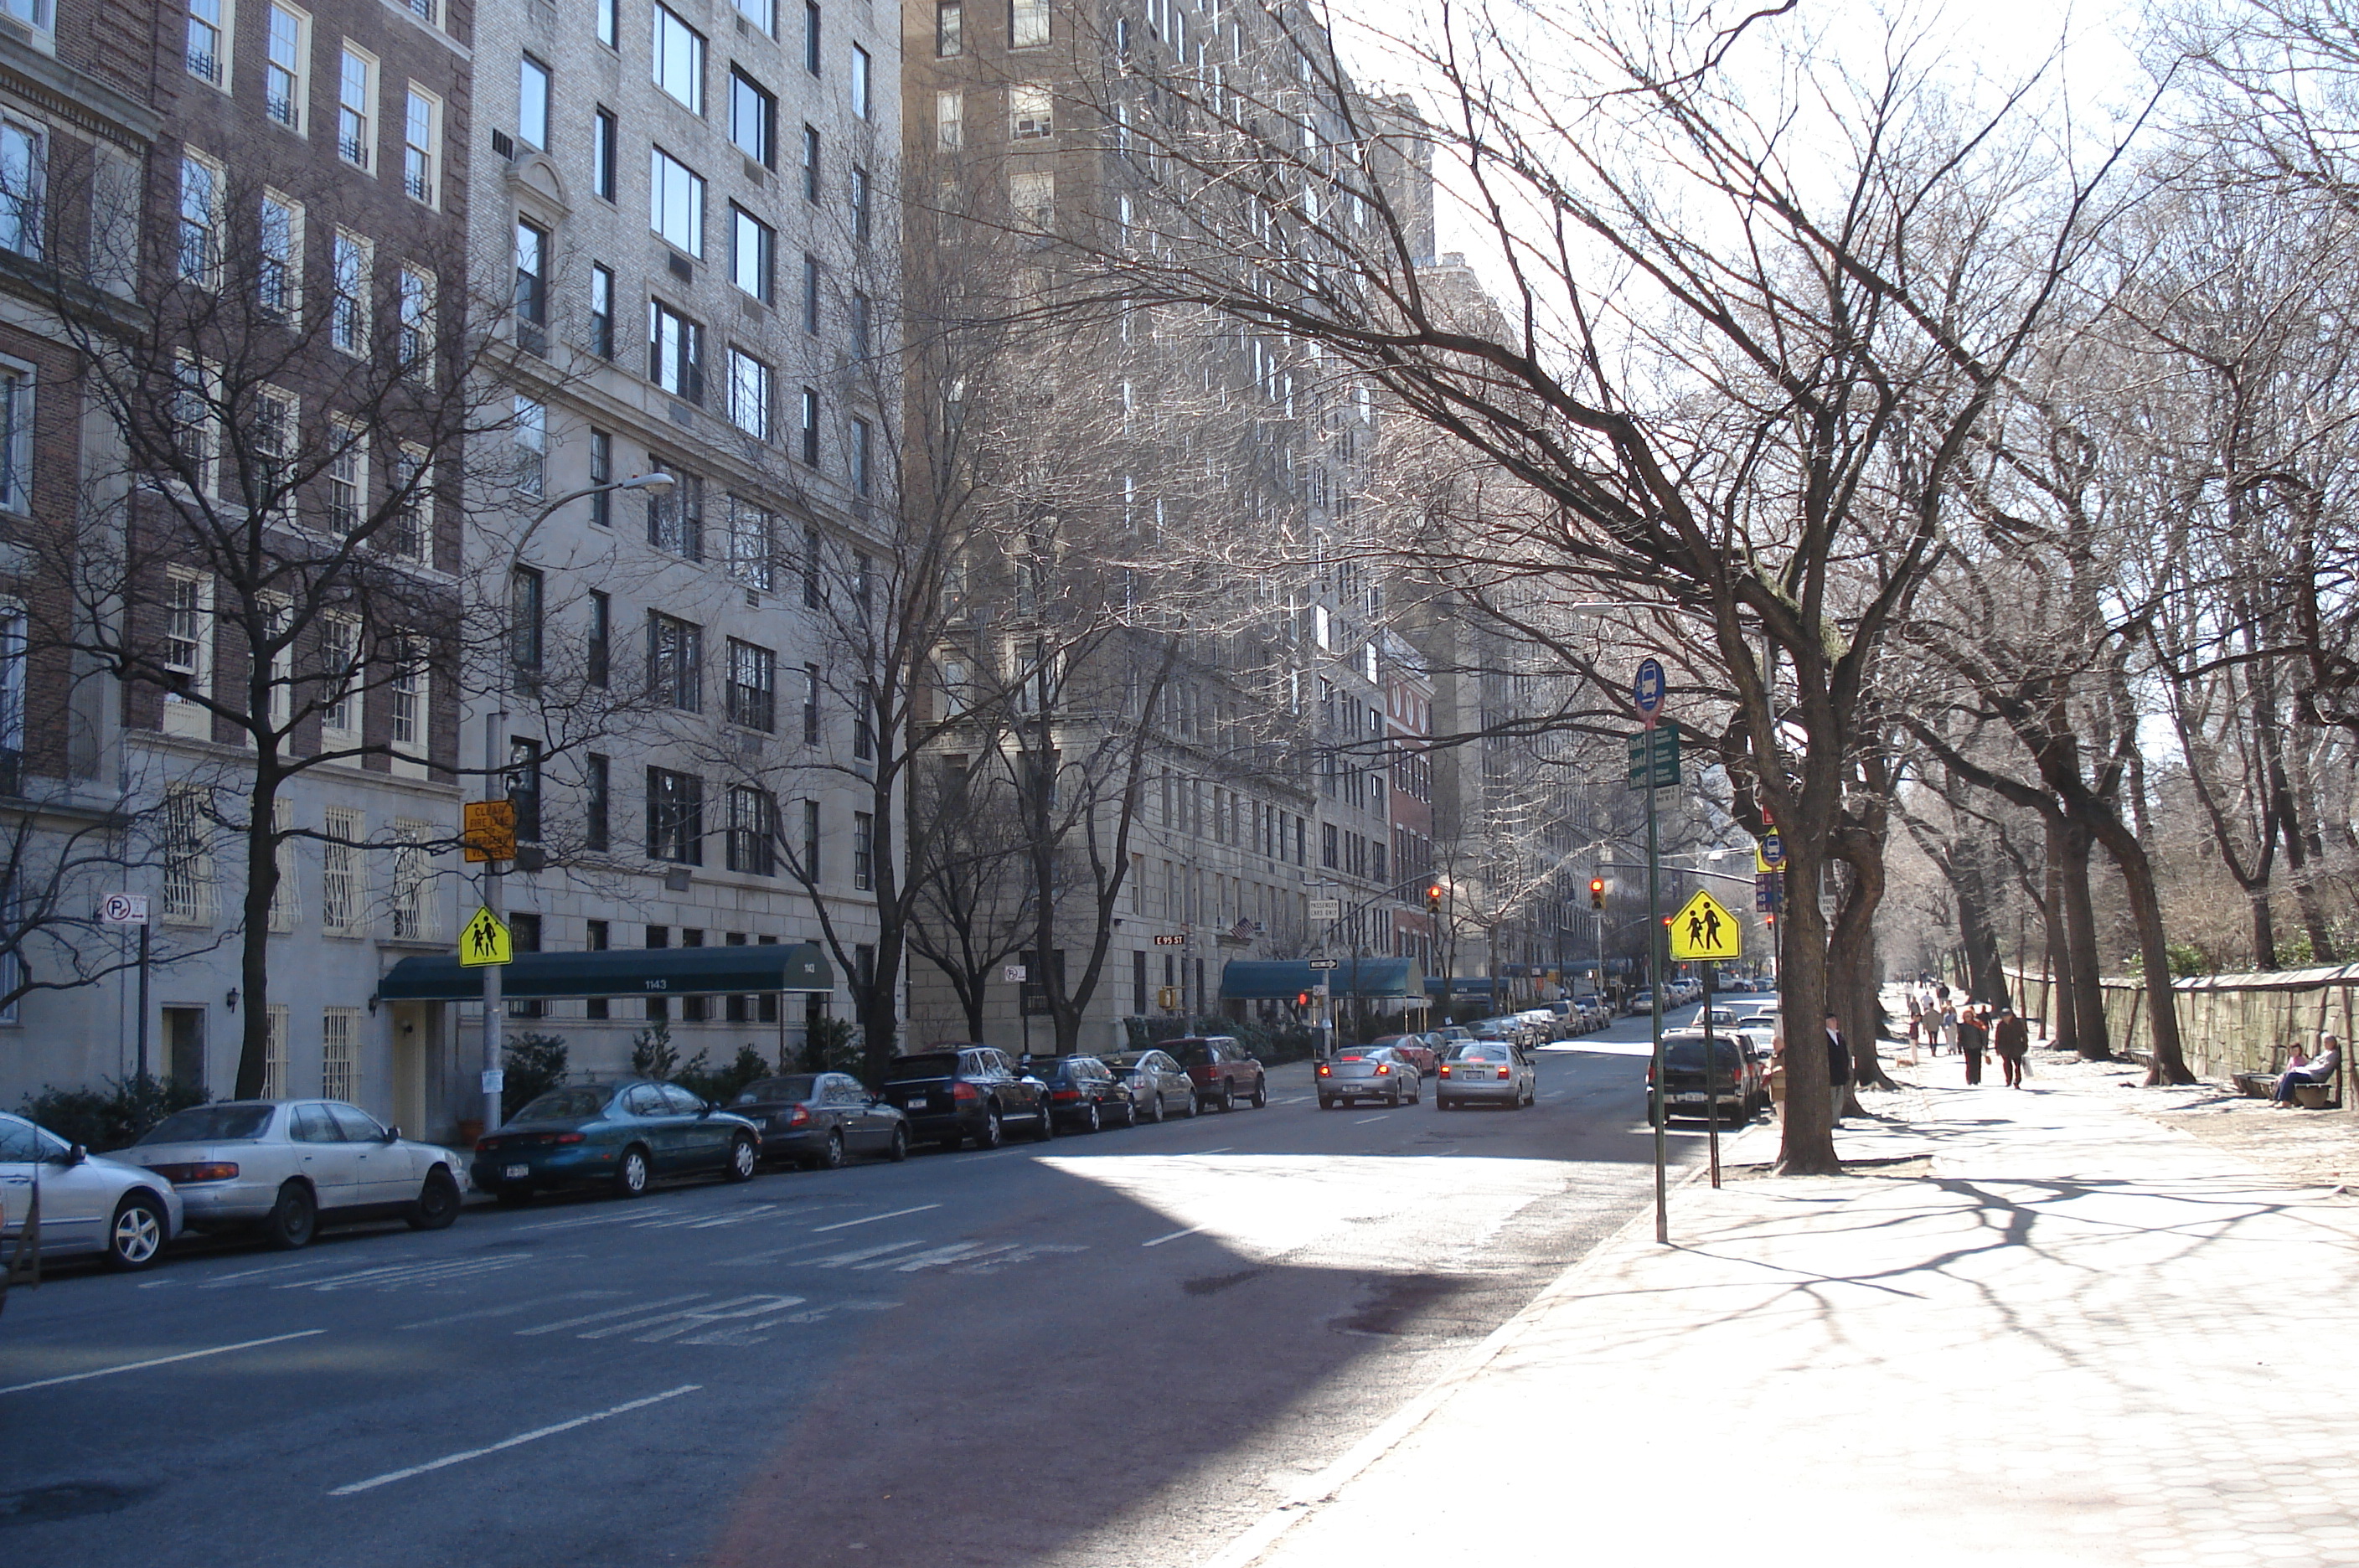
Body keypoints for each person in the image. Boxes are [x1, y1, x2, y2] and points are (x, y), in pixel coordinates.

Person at [2273, 1034, 2341, 1108]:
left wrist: (2305, 1069)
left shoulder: (2333, 1054)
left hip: (2315, 1076)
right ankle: (2277, 1099)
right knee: (2286, 1074)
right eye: (2324, 1042)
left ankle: (2286, 1101)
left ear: (2333, 1043)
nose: (2324, 1044)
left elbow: (2323, 1068)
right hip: (2310, 1073)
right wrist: (2303, 1069)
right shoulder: (2326, 1052)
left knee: (2291, 1076)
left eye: (2327, 1042)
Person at [1824, 1013, 1852, 1127]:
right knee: (1831, 1098)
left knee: (1839, 1099)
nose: (1835, 1022)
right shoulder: (1825, 1037)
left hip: (1840, 1073)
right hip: (1831, 1073)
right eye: (1832, 1020)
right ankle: (1830, 1121)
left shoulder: (1839, 1036)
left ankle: (1836, 1120)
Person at [1991, 1008, 2030, 1088]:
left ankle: (2017, 1080)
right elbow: (1997, 1037)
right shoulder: (2000, 1025)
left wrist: (2025, 1045)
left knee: (2017, 1065)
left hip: (2017, 1047)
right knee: (2007, 1065)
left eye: (2008, 1016)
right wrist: (1997, 1048)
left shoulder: (2018, 1023)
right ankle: (2008, 1080)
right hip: (2005, 1048)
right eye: (2004, 1016)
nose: (2006, 1018)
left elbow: (2023, 1035)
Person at [1958, 1003, 1988, 1086]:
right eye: (1966, 1016)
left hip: (1977, 1046)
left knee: (1977, 1063)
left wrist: (1984, 1045)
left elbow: (1983, 1035)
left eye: (1969, 1016)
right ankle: (1969, 1078)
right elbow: (1960, 1037)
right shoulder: (1962, 1026)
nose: (1968, 1018)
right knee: (1969, 1063)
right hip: (1967, 1046)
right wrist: (1959, 1046)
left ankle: (1977, 1079)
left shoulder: (1977, 1024)